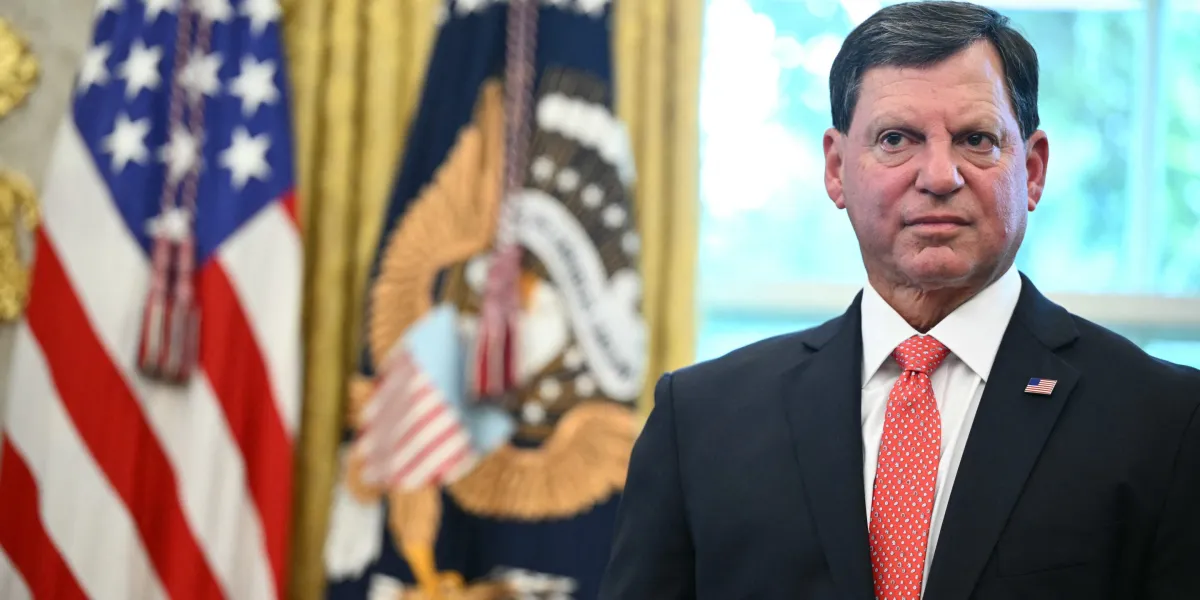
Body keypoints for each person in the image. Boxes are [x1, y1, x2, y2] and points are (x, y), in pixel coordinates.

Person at [597, 1, 1200, 598]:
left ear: (1033, 170)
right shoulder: (699, 420)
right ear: (836, 168)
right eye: (895, 139)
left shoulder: (1166, 422)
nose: (939, 176)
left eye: (976, 139)